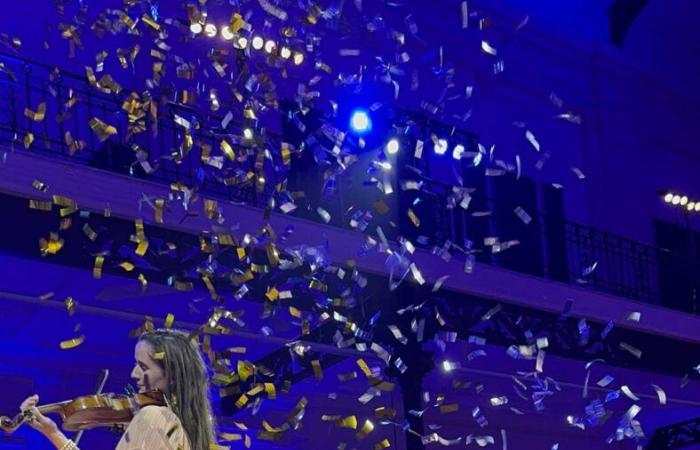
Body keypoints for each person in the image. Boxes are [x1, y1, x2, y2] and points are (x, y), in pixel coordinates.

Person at [19, 329, 216, 450]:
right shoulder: (189, 428)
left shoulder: (153, 415)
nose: (134, 373)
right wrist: (52, 432)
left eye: (144, 367)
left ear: (171, 375)